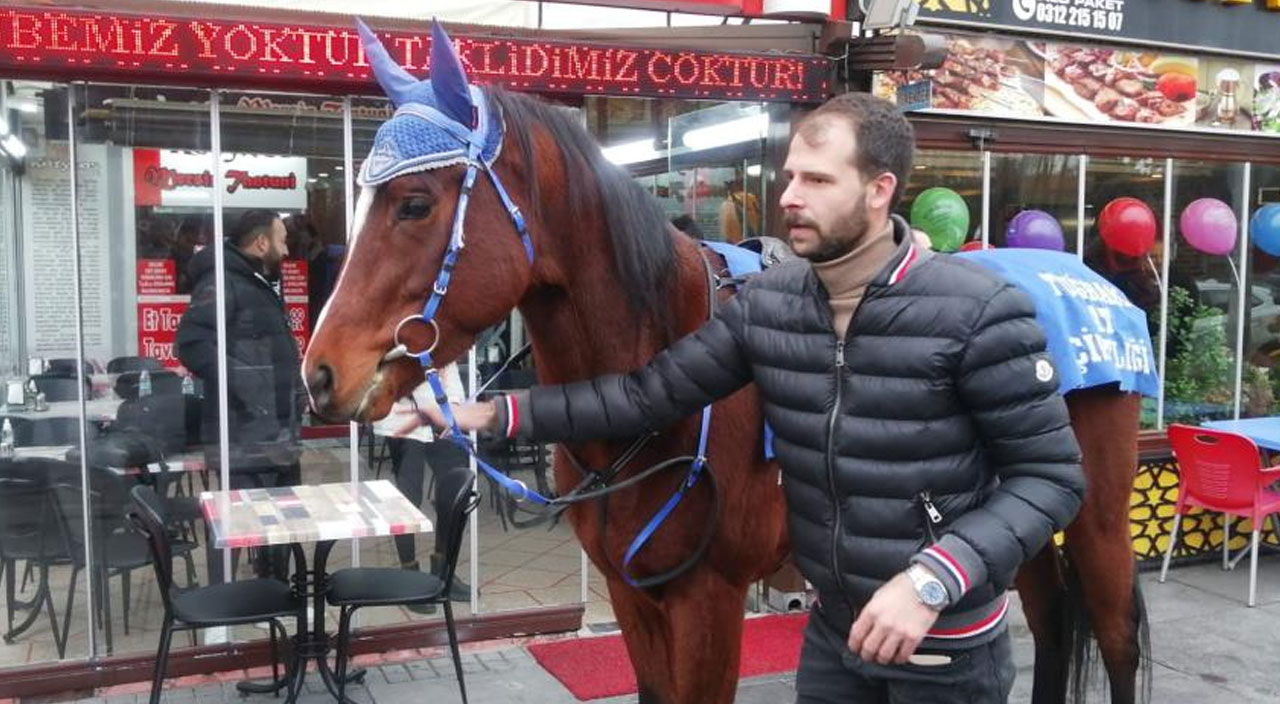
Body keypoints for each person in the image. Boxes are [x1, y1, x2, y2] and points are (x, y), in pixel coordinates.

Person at [407, 93, 1083, 704]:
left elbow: (1050, 478)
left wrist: (934, 578)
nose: (791, 195)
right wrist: (492, 413)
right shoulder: (769, 305)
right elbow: (650, 396)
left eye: (818, 181)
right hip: (836, 640)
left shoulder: (981, 309)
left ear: (880, 191)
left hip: (942, 642)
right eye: (790, 175)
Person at [176, 209, 305, 585]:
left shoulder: (254, 281)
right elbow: (192, 344)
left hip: (273, 432)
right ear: (261, 242)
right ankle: (224, 613)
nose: (285, 251)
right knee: (236, 527)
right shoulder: (222, 283)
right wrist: (250, 387)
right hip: (244, 433)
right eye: (281, 241)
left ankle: (273, 598)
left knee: (279, 526)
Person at [372, 363, 474, 613]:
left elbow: (448, 368)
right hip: (402, 419)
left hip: (442, 418)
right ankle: (410, 577)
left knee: (452, 497)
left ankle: (443, 571)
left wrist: (454, 407)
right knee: (408, 500)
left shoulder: (437, 327)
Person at [718, 174, 761, 244]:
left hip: (745, 236)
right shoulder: (726, 203)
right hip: (735, 238)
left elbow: (756, 213)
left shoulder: (748, 197)